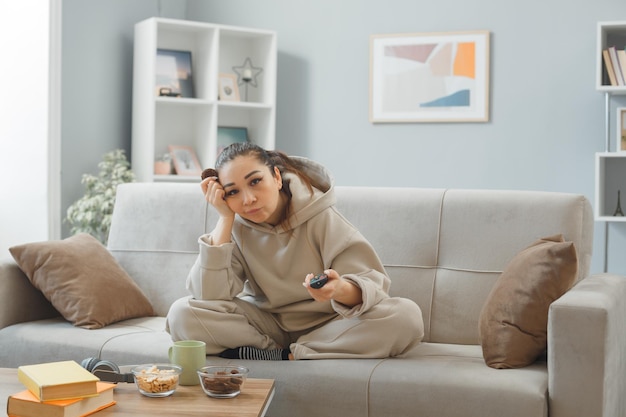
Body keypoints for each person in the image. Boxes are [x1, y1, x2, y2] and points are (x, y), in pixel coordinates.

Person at [166, 143, 424, 360]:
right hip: (266, 326)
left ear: (277, 178)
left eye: (255, 182)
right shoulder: (234, 225)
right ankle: (274, 353)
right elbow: (208, 297)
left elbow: (374, 288)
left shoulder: (321, 216)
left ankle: (297, 353)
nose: (248, 200)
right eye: (233, 191)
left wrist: (338, 289)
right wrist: (224, 220)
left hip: (330, 326)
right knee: (181, 314)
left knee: (406, 317)